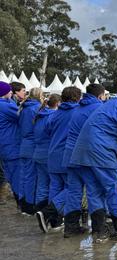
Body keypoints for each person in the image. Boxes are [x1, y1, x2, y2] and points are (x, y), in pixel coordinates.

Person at [70, 83, 117, 243]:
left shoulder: (110, 104)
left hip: (82, 150)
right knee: (115, 188)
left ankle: (100, 230)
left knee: (94, 190)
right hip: (100, 150)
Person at [63, 84, 106, 238]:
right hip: (85, 155)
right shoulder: (98, 107)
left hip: (70, 154)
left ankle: (70, 227)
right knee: (94, 191)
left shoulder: (79, 107)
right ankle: (99, 230)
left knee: (74, 191)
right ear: (100, 95)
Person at [36, 87, 81, 233]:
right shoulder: (77, 112)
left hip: (53, 153)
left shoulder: (55, 114)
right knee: (72, 188)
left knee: (55, 187)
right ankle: (48, 212)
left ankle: (54, 221)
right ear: (77, 98)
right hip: (67, 155)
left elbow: (47, 130)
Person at [33, 95, 61, 229]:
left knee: (42, 185)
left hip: (38, 153)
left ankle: (40, 212)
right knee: (54, 185)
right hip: (48, 154)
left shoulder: (39, 115)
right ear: (58, 103)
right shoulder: (53, 116)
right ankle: (49, 215)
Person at [17, 87, 45, 215]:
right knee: (32, 177)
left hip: (23, 144)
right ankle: (30, 205)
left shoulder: (24, 107)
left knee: (24, 175)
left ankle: (23, 203)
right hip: (33, 144)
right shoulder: (37, 108)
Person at [0, 81, 21, 209]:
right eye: (9, 91)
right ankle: (22, 203)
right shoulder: (5, 106)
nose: (11, 92)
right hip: (10, 144)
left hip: (4, 144)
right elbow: (22, 116)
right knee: (15, 174)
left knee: (6, 173)